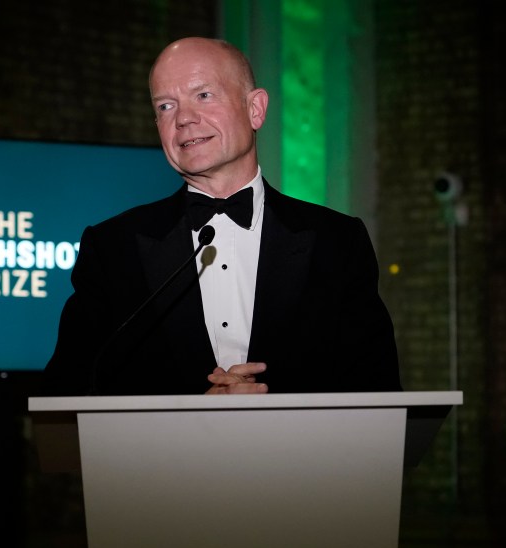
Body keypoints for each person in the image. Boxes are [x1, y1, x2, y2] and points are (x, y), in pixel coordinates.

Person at [42, 37, 400, 396]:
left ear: (255, 109)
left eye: (203, 96)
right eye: (166, 106)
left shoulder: (337, 241)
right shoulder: (112, 248)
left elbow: (375, 389)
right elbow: (67, 394)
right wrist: (191, 420)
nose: (183, 119)